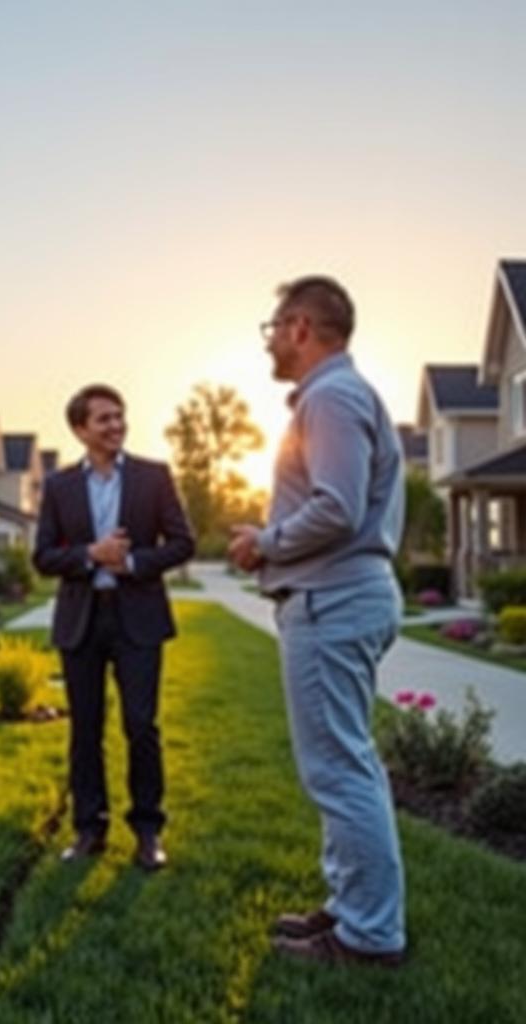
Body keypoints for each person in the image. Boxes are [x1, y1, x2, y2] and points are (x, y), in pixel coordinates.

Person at [228, 276, 407, 966]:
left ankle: (368, 936)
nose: (269, 339)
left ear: (301, 326)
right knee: (340, 764)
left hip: (332, 600)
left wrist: (264, 544)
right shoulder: (338, 397)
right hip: (340, 596)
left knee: (339, 769)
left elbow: (336, 506)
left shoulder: (331, 397)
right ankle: (348, 909)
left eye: (273, 326)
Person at [33, 384, 194, 870]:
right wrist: (90, 555)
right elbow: (42, 557)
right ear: (81, 430)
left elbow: (183, 542)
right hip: (81, 619)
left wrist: (135, 562)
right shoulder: (59, 486)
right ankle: (89, 830)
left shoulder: (154, 477)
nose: (116, 426)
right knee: (85, 729)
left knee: (141, 725)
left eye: (119, 416)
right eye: (103, 419)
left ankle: (148, 832)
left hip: (138, 618)